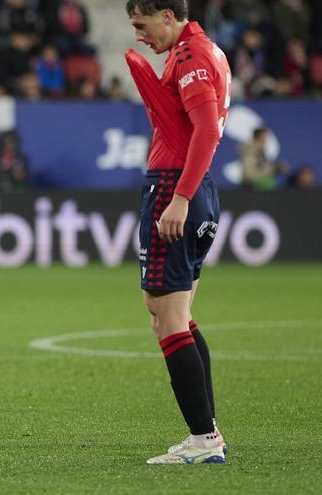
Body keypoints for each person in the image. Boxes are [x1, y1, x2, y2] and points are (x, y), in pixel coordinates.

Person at [124, 0, 230, 464]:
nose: (139, 35)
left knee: (165, 313)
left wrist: (180, 198)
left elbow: (207, 129)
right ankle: (209, 433)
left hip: (176, 185)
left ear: (167, 14)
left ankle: (204, 440)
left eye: (141, 24)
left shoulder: (190, 58)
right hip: (194, 186)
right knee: (176, 311)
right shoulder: (204, 51)